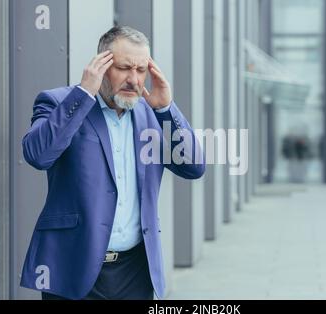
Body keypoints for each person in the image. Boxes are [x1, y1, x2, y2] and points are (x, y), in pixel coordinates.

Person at [19, 26, 205, 300]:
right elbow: (37, 155)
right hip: (74, 266)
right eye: (124, 67)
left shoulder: (152, 115)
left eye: (142, 70)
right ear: (101, 65)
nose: (134, 79)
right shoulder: (60, 101)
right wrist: (83, 94)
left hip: (135, 271)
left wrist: (166, 109)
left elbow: (193, 166)